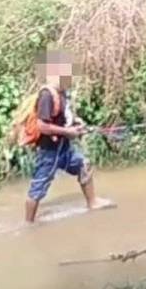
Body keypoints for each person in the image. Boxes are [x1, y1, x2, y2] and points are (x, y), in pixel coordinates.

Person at [25, 49, 115, 223]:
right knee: (38, 187)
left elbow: (63, 117)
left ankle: (92, 202)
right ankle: (28, 224)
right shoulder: (46, 95)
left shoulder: (62, 93)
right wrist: (69, 132)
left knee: (84, 165)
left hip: (64, 149)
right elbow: (42, 126)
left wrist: (76, 124)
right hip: (49, 152)